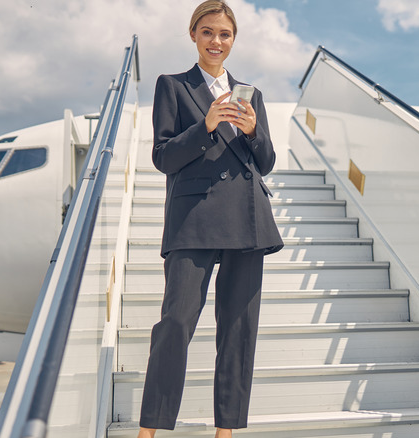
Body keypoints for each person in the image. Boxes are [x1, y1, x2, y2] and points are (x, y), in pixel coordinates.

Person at [137, 1, 283, 437]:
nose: (216, 41)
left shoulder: (250, 94)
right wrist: (206, 124)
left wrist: (255, 131)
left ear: (233, 39)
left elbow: (267, 161)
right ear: (193, 35)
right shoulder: (173, 86)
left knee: (239, 330)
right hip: (194, 216)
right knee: (176, 321)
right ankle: (152, 427)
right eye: (207, 32)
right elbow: (163, 156)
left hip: (247, 216)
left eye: (224, 34)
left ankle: (228, 429)